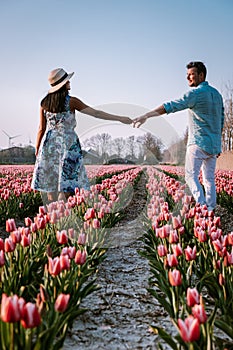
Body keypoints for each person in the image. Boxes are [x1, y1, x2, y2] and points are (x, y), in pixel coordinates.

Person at [133, 61, 225, 212]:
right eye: (187, 75)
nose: (188, 78)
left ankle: (202, 207)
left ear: (201, 75)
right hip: (213, 146)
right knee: (209, 180)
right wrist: (218, 143)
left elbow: (171, 106)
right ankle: (210, 209)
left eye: (192, 74)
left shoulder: (195, 94)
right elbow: (221, 120)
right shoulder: (217, 95)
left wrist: (147, 115)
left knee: (190, 176)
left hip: (198, 143)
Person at [31, 68, 132, 202]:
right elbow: (96, 113)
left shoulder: (44, 103)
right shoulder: (71, 101)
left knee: (51, 184)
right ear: (64, 84)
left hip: (49, 145)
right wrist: (119, 118)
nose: (70, 83)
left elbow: (41, 128)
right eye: (68, 81)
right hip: (68, 144)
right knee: (67, 184)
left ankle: (52, 216)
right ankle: (63, 216)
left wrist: (38, 148)